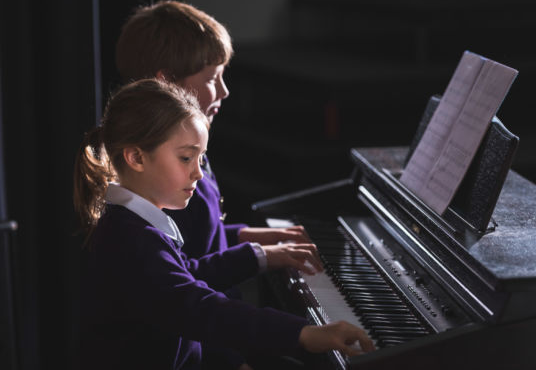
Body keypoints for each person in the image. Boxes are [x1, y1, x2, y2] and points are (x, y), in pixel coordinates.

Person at [72, 78, 374, 369]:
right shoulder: (132, 240)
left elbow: (182, 277)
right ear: (136, 158)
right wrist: (302, 333)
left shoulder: (133, 223)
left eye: (201, 159)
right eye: (186, 158)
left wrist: (259, 255)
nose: (198, 174)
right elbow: (196, 306)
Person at [115, 0, 312, 263]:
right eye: (211, 78)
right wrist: (258, 257)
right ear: (167, 82)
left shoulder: (186, 149)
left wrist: (253, 236)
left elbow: (202, 240)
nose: (224, 91)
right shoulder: (161, 170)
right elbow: (181, 270)